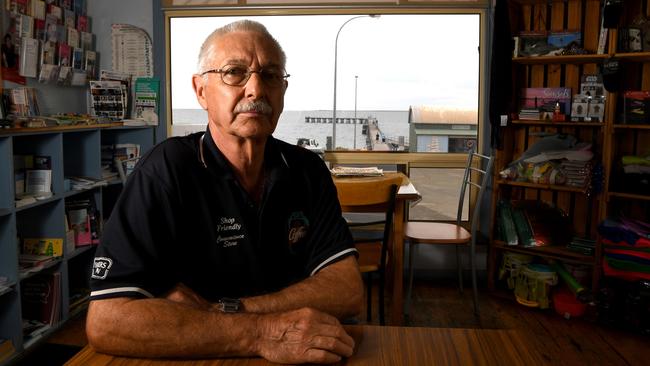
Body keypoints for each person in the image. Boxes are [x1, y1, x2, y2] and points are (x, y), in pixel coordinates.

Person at [85, 20, 363, 364]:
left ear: (283, 91)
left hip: (299, 349)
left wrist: (230, 310)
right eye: (235, 72)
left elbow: (347, 289)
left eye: (272, 75)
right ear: (201, 91)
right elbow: (107, 321)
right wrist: (261, 333)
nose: (257, 90)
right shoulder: (164, 171)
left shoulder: (307, 169)